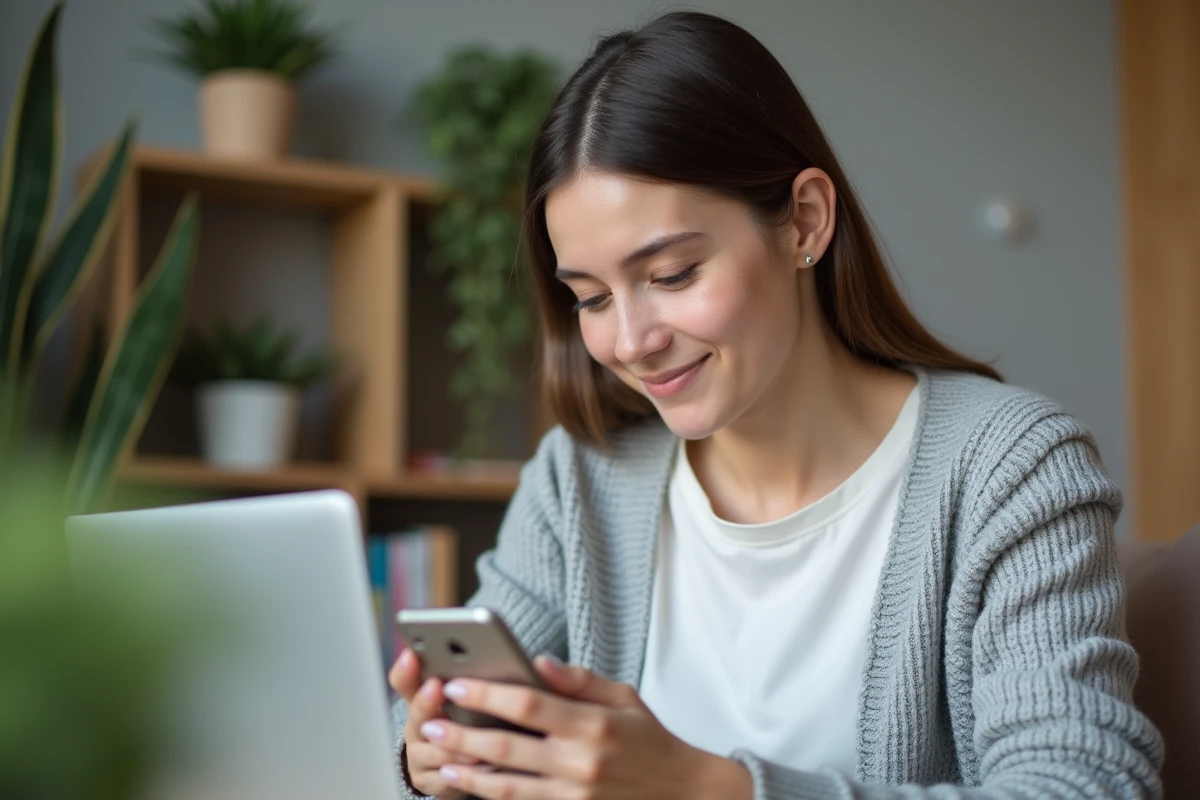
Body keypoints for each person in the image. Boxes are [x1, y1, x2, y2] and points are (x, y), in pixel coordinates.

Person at [388, 10, 1164, 800]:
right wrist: (425, 755)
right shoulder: (580, 478)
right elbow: (416, 727)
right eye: (590, 298)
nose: (630, 342)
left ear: (805, 222)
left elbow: (1084, 787)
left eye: (672, 275)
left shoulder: (1011, 469)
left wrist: (706, 788)